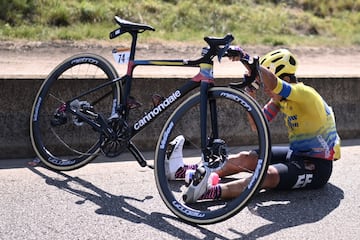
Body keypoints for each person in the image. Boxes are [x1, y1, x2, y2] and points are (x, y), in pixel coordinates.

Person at [166, 48, 341, 203]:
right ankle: (189, 172)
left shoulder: (304, 93)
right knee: (246, 157)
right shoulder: (280, 101)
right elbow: (257, 125)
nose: (265, 89)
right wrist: (251, 92)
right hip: (295, 154)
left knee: (265, 176)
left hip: (318, 166)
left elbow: (273, 83)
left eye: (265, 84)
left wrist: (247, 58)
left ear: (285, 78)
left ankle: (210, 191)